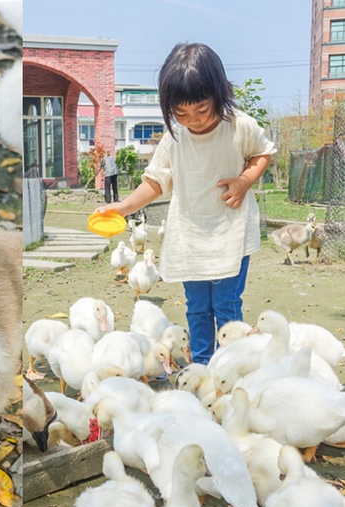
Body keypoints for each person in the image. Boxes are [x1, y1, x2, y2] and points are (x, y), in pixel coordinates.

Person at [95, 43, 276, 365]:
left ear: (219, 93)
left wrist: (245, 181)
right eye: (181, 113)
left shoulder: (239, 125)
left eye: (202, 110)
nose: (193, 120)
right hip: (191, 236)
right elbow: (154, 182)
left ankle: (231, 364)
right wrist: (123, 206)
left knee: (226, 305)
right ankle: (204, 366)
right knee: (196, 307)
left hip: (230, 234)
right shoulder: (175, 137)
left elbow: (262, 154)